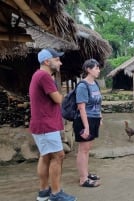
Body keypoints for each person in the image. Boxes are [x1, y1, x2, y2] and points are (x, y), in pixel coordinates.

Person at [29, 48, 76, 201]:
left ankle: (43, 192)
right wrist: (67, 97)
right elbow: (58, 99)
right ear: (47, 61)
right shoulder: (44, 76)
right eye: (57, 60)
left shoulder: (37, 75)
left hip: (41, 124)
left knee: (45, 156)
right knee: (58, 156)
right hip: (46, 124)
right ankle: (56, 193)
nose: (60, 62)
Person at [73, 59, 103, 187]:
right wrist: (86, 127)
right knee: (83, 149)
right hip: (84, 120)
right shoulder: (82, 86)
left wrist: (100, 117)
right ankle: (83, 178)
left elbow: (98, 102)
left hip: (94, 119)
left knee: (87, 148)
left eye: (98, 68)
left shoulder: (95, 84)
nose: (98, 70)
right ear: (88, 69)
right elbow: (81, 107)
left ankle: (85, 173)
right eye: (96, 68)